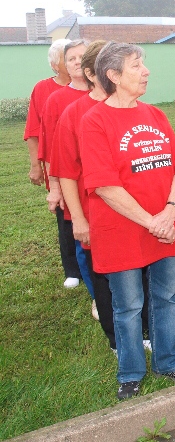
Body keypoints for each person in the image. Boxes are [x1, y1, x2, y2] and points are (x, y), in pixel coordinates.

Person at [80, 41, 175, 400]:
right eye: (136, 66)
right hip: (123, 230)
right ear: (113, 75)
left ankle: (169, 361)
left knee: (165, 297)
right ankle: (130, 372)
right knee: (128, 305)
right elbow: (104, 186)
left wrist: (170, 211)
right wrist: (151, 221)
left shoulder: (155, 115)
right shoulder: (94, 121)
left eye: (143, 64)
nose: (146, 71)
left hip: (164, 224)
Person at [50, 41, 151, 353]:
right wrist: (79, 220)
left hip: (133, 210)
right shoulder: (74, 114)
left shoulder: (130, 106)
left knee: (142, 273)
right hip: (95, 213)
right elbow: (66, 172)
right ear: (95, 74)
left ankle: (145, 330)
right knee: (105, 279)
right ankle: (117, 340)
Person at [40, 39, 94, 295]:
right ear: (64, 65)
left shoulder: (107, 94)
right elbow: (50, 147)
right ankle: (94, 292)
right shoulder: (56, 100)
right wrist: (55, 187)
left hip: (103, 178)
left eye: (82, 57)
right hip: (73, 180)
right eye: (71, 58)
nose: (77, 62)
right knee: (81, 235)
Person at [24, 38, 69, 187]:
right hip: (55, 163)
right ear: (55, 65)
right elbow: (33, 130)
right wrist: (35, 166)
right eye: (68, 58)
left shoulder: (91, 86)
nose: (76, 62)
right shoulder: (42, 89)